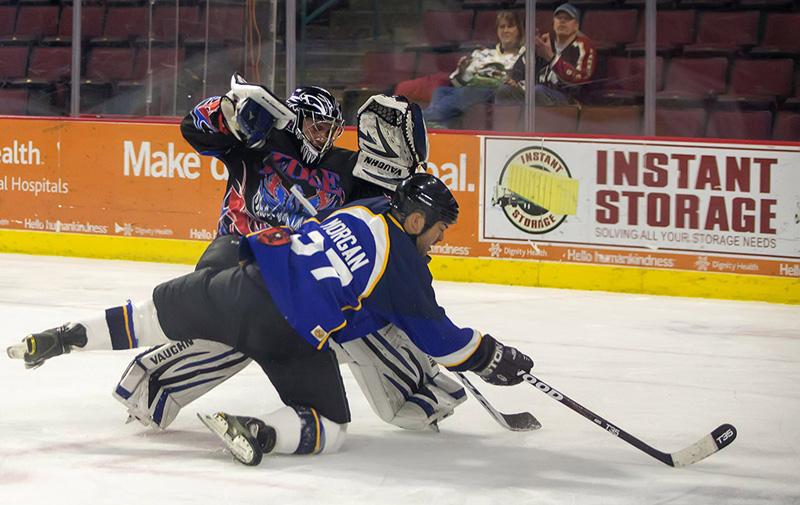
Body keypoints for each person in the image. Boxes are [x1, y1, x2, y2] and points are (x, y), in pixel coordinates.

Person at [28, 75, 466, 434]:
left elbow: (392, 206)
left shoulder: (342, 168)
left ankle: (417, 393)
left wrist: (403, 157)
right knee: (231, 327)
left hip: (299, 273)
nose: (324, 137)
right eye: (315, 127)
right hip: (234, 252)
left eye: (331, 130)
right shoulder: (258, 143)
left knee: (359, 319)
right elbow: (194, 129)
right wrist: (229, 112)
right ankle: (152, 387)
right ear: (294, 122)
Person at [8, 173, 535, 466]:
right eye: (438, 232)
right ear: (416, 220)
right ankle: (256, 433)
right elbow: (439, 339)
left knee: (150, 317)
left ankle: (68, 336)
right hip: (291, 332)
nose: (438, 244)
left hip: (244, 279)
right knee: (332, 429)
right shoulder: (403, 267)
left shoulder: (364, 207)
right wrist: (494, 356)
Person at [419, 10, 525, 128]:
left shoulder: (523, 57)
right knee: (440, 91)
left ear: (519, 30)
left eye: (510, 26)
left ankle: (423, 118)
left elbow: (524, 87)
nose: (505, 31)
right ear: (497, 30)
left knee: (468, 91)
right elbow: (457, 84)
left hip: (492, 91)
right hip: (471, 89)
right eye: (502, 27)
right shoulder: (484, 54)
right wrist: (463, 71)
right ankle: (441, 127)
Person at [496, 3, 596, 106]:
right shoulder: (545, 42)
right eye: (558, 18)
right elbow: (522, 63)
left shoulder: (584, 46)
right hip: (537, 94)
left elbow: (580, 78)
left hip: (568, 100)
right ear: (553, 23)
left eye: (567, 18)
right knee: (504, 90)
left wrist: (551, 58)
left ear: (576, 25)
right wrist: (514, 79)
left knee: (538, 91)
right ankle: (509, 121)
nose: (562, 21)